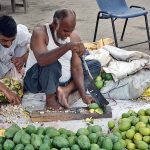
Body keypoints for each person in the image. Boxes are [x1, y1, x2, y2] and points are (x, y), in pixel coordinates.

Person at [24, 9, 101, 109]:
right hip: (36, 82)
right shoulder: (40, 32)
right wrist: (68, 46)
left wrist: (83, 95)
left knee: (94, 65)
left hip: (61, 81)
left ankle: (65, 90)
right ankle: (50, 99)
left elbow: (76, 68)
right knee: (51, 62)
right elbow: (42, 61)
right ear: (55, 24)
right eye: (65, 31)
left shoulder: (74, 37)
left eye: (71, 31)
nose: (68, 34)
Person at [0, 15, 31, 105]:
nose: (9, 44)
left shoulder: (20, 33)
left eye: (12, 40)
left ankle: (19, 73)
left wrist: (24, 58)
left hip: (11, 65)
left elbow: (36, 41)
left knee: (25, 45)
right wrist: (6, 91)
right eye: (4, 40)